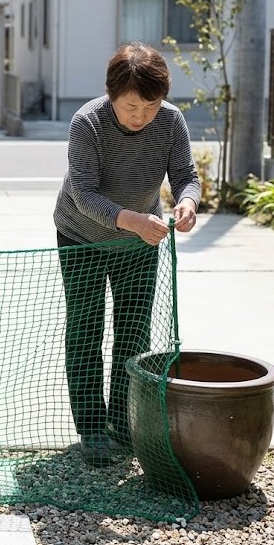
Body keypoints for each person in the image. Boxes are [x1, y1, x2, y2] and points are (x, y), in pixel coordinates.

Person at [53, 41, 201, 466]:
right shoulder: (88, 123)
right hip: (82, 236)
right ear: (111, 94)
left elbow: (187, 176)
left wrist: (188, 201)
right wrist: (132, 220)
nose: (141, 117)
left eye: (150, 107)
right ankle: (92, 429)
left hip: (141, 239)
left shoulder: (171, 122)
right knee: (85, 329)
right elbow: (82, 195)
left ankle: (122, 419)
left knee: (134, 332)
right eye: (132, 107)